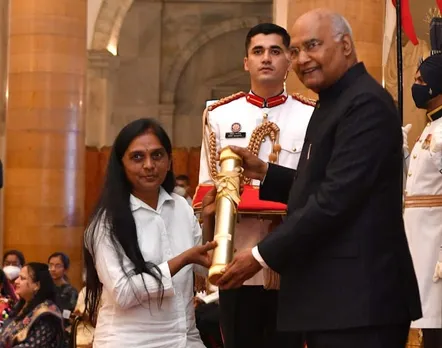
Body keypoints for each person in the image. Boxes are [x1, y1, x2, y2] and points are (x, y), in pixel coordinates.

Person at [214, 9, 422, 348]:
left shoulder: (364, 104)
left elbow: (334, 200)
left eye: (313, 45)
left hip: (360, 302)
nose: (302, 59)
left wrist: (258, 256)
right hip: (337, 301)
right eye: (295, 51)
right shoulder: (335, 101)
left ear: (345, 46)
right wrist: (266, 172)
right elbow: (321, 183)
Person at [195, 22, 314, 348]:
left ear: (289, 59)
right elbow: (208, 190)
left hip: (290, 261)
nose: (266, 59)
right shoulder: (220, 115)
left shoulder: (310, 115)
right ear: (246, 61)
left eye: (276, 51)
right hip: (236, 259)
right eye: (258, 51)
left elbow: (316, 189)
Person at [83, 118, 217, 348]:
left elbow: (204, 266)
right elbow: (123, 293)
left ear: (169, 160)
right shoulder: (106, 222)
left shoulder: (181, 207)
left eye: (157, 155)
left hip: (185, 338)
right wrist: (182, 259)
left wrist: (210, 219)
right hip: (130, 341)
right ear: (121, 164)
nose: (149, 165)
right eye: (137, 157)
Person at [404, 19, 442, 348]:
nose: (416, 86)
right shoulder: (430, 128)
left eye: (421, 81)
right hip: (420, 245)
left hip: (437, 249)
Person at [0, 262, 64, 347]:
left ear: (37, 285)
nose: (16, 281)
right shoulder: (20, 305)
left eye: (22, 278)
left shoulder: (46, 314)